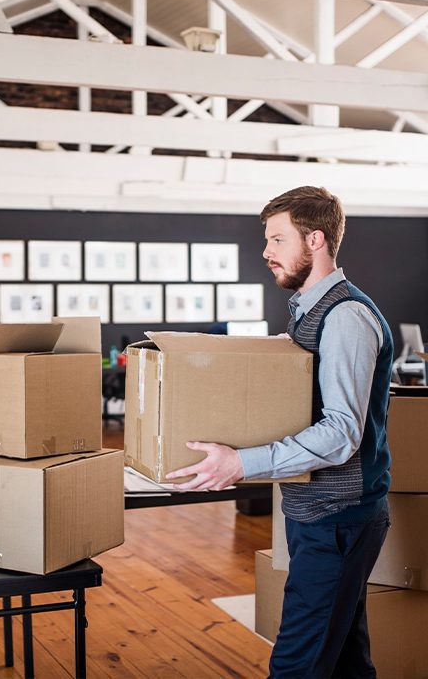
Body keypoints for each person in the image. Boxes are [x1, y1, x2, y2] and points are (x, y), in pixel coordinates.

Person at [167, 186, 392, 679]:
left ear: (315, 240)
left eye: (277, 239)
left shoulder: (345, 317)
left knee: (296, 665)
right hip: (321, 512)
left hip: (339, 517)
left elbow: (341, 434)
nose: (265, 252)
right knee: (345, 661)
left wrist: (240, 462)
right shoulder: (310, 312)